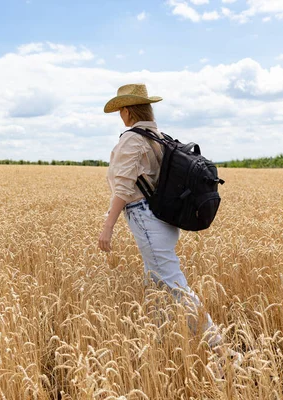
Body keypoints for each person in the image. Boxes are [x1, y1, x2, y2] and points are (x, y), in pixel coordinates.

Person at [98, 83, 241, 365]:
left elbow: (124, 188)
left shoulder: (131, 139)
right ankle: (163, 347)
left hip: (145, 217)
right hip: (163, 220)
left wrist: (108, 225)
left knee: (174, 286)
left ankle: (223, 354)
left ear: (126, 111)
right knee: (156, 285)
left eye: (120, 111)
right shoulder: (158, 136)